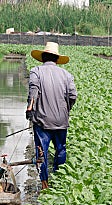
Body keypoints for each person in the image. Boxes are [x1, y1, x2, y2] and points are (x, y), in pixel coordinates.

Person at [26, 42, 77, 189]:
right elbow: (73, 96)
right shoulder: (67, 75)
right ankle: (59, 182)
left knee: (41, 152)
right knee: (61, 149)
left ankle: (45, 185)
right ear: (56, 59)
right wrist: (66, 110)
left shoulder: (36, 71)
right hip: (61, 120)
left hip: (42, 120)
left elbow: (33, 91)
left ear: (43, 58)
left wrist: (30, 108)